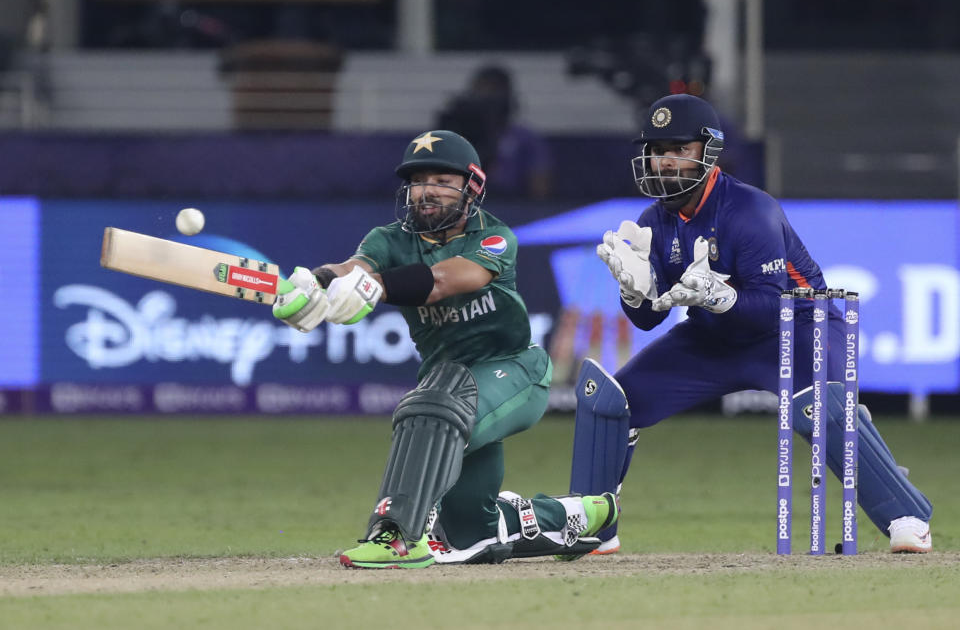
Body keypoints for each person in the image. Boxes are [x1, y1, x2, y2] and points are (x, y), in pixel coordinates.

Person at [572, 93, 933, 555]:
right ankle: (592, 525)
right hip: (714, 339)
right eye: (659, 150)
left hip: (800, 326)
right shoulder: (653, 222)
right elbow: (648, 320)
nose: (666, 161)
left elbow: (772, 305)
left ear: (708, 152)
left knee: (819, 406)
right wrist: (634, 292)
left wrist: (720, 295)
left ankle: (906, 514)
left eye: (680, 149)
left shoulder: (748, 210)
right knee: (610, 403)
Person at [272, 129, 618, 568]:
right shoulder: (388, 239)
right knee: (469, 533)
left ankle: (397, 535)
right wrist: (315, 284)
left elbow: (444, 280)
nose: (427, 191)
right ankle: (579, 513)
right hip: (450, 380)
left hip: (514, 372)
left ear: (470, 188)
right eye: (419, 181)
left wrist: (372, 287)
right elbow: (351, 269)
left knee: (429, 409)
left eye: (442, 180)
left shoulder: (493, 238)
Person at [437, 65, 553, 200]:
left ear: (507, 97)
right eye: (481, 95)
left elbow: (540, 191)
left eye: (494, 94)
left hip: (513, 208)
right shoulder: (455, 138)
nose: (488, 102)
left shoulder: (527, 138)